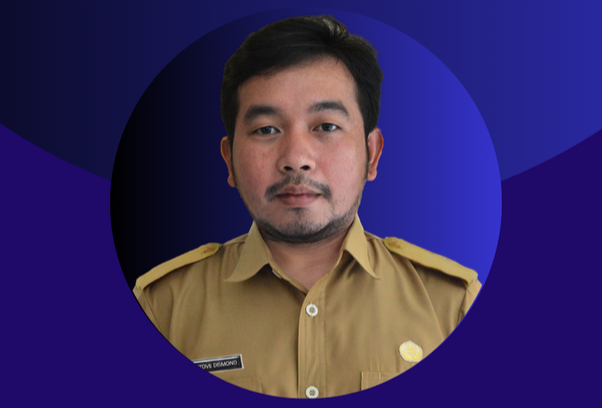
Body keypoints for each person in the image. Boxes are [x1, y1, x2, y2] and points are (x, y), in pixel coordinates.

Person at [133, 15, 481, 398]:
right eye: (267, 129)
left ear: (372, 153)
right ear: (229, 159)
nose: (296, 159)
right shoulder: (163, 309)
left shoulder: (452, 306)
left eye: (326, 127)